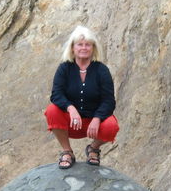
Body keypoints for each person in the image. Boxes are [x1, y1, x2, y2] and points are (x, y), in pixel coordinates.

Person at [44, 26, 119, 169]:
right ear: (73, 48)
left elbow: (109, 101)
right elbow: (56, 95)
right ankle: (67, 152)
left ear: (93, 48)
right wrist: (71, 109)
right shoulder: (64, 68)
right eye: (80, 44)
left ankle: (93, 149)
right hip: (71, 123)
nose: (84, 48)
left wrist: (97, 119)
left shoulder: (102, 70)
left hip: (94, 125)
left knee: (111, 125)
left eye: (87, 44)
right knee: (52, 110)